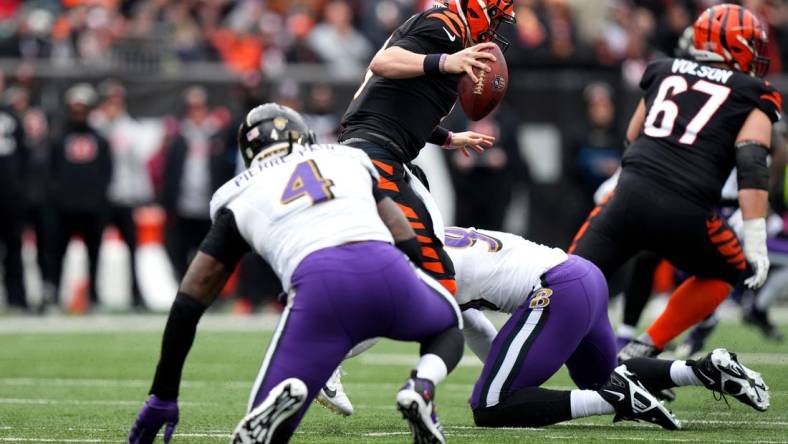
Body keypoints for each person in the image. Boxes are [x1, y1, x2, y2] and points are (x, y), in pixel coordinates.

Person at [128, 104, 464, 444]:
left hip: (317, 288)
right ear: (306, 136)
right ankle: (420, 386)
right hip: (383, 265)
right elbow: (401, 230)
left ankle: (291, 393)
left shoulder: (239, 193)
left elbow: (189, 301)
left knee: (261, 435)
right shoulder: (345, 158)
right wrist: (413, 283)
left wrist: (163, 394)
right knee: (447, 325)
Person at [318, 225, 770, 429]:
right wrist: (502, 361)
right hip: (580, 274)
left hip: (557, 289)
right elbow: (472, 322)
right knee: (600, 372)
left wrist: (329, 358)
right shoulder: (429, 236)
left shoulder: (411, 261)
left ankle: (610, 400)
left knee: (490, 406)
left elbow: (379, 320)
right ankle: (704, 370)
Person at [568, 4, 782, 360]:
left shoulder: (663, 70)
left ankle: (525, 334)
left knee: (567, 278)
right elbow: (751, 163)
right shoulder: (752, 91)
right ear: (735, 45)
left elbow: (632, 137)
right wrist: (756, 239)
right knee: (727, 270)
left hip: (630, 195)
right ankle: (645, 346)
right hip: (688, 210)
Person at [337, 0, 515, 295]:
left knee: (409, 249)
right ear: (477, 12)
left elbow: (406, 105)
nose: (495, 30)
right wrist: (445, 61)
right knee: (436, 270)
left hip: (381, 151)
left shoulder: (453, 40)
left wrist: (448, 138)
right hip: (373, 154)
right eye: (495, 20)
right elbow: (383, 62)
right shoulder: (444, 26)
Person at [49, 83, 112, 311]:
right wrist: (58, 200)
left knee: (94, 255)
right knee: (58, 253)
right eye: (75, 107)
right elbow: (52, 172)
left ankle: (94, 296)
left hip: (92, 208)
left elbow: (106, 172)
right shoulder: (59, 139)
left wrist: (98, 200)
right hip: (65, 208)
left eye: (82, 108)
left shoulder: (100, 140)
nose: (78, 112)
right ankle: (55, 294)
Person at [91, 80, 153, 310]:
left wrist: (143, 194)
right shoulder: (95, 126)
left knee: (132, 248)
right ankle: (93, 296)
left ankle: (136, 295)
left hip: (125, 196)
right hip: (101, 197)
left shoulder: (132, 129)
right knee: (94, 248)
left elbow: (139, 164)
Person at [0, 86, 28, 311]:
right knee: (13, 249)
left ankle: (17, 297)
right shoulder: (12, 118)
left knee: (14, 249)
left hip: (10, 195)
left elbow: (23, 157)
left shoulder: (12, 118)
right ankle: (16, 298)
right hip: (11, 193)